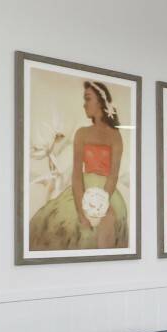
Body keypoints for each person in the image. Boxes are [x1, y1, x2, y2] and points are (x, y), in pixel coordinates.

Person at [28, 81, 129, 251]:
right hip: (81, 188)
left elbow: (113, 175)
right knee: (61, 223)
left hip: (108, 192)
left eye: (88, 99)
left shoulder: (115, 136)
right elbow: (76, 174)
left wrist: (100, 202)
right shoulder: (82, 133)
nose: (84, 104)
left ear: (100, 102)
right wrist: (82, 211)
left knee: (108, 222)